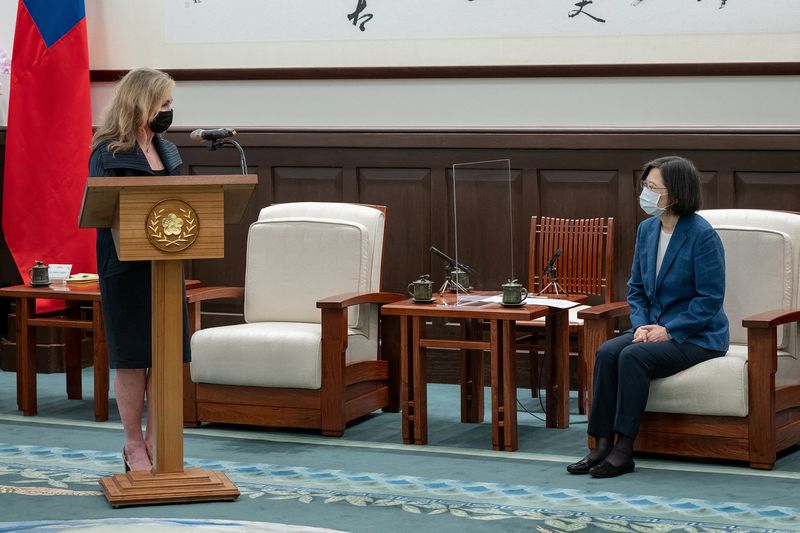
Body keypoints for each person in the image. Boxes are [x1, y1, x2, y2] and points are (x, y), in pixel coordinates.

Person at [567, 155, 729, 478]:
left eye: (654, 188)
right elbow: (636, 288)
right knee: (607, 352)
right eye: (646, 186)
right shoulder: (647, 230)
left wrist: (666, 331)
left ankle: (624, 449)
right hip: (651, 326)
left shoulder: (702, 236)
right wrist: (641, 325)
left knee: (633, 357)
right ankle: (600, 444)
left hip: (697, 335)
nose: (647, 193)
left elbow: (709, 300)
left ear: (677, 195)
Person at [89, 68, 190, 472]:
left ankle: (157, 438)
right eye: (162, 103)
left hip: (167, 266)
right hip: (126, 267)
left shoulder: (168, 151)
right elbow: (104, 211)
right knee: (132, 358)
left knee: (167, 356)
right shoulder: (107, 152)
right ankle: (132, 443)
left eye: (169, 103)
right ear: (140, 102)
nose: (168, 110)